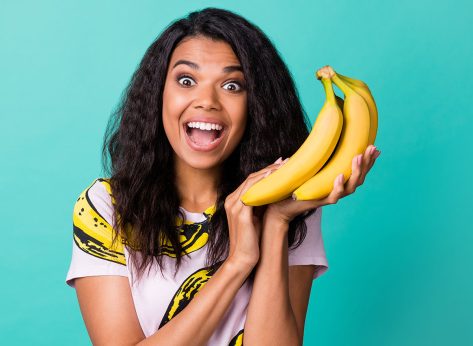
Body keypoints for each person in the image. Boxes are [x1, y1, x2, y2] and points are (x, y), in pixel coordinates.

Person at [65, 7, 380, 346]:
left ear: (256, 105)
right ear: (159, 93)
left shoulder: (293, 202)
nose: (207, 101)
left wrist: (275, 224)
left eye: (232, 85)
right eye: (187, 80)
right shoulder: (105, 209)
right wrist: (237, 264)